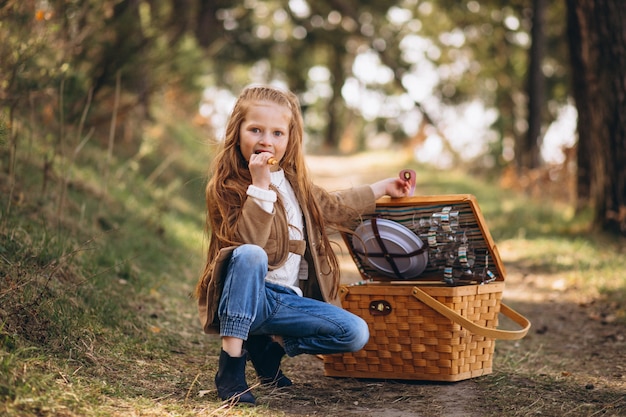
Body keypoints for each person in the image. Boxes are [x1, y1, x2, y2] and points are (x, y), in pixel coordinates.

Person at [194, 85, 413, 405]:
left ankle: (270, 346)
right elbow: (247, 247)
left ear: (289, 138)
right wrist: (259, 187)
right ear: (237, 132)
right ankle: (231, 367)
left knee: (355, 332)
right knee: (250, 254)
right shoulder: (227, 186)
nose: (266, 140)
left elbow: (336, 205)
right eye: (255, 129)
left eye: (277, 133)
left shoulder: (296, 184)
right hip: (244, 296)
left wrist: (383, 187)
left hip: (285, 303)